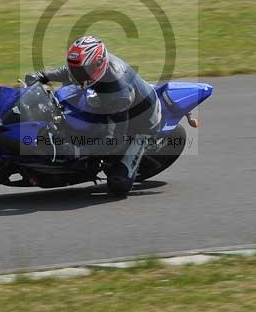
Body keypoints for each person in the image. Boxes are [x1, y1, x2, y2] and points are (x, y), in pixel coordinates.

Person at [25, 36, 161, 196]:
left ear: (98, 65)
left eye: (80, 71)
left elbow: (114, 140)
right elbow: (69, 71)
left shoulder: (118, 93)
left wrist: (78, 149)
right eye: (74, 68)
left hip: (141, 122)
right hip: (109, 103)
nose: (75, 74)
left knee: (118, 185)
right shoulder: (89, 68)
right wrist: (43, 76)